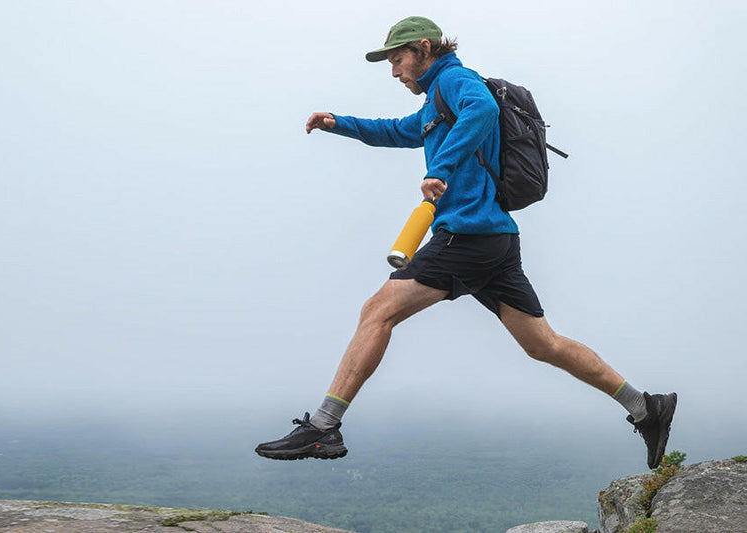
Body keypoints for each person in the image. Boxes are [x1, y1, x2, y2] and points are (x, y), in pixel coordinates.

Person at [254, 16, 677, 469]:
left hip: (467, 234)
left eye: (398, 61)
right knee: (543, 344)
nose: (395, 72)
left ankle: (322, 428)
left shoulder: (455, 79)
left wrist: (441, 169)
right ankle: (644, 407)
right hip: (494, 240)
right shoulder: (436, 99)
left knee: (377, 311)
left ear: (423, 48)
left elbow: (484, 110)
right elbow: (399, 131)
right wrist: (338, 122)